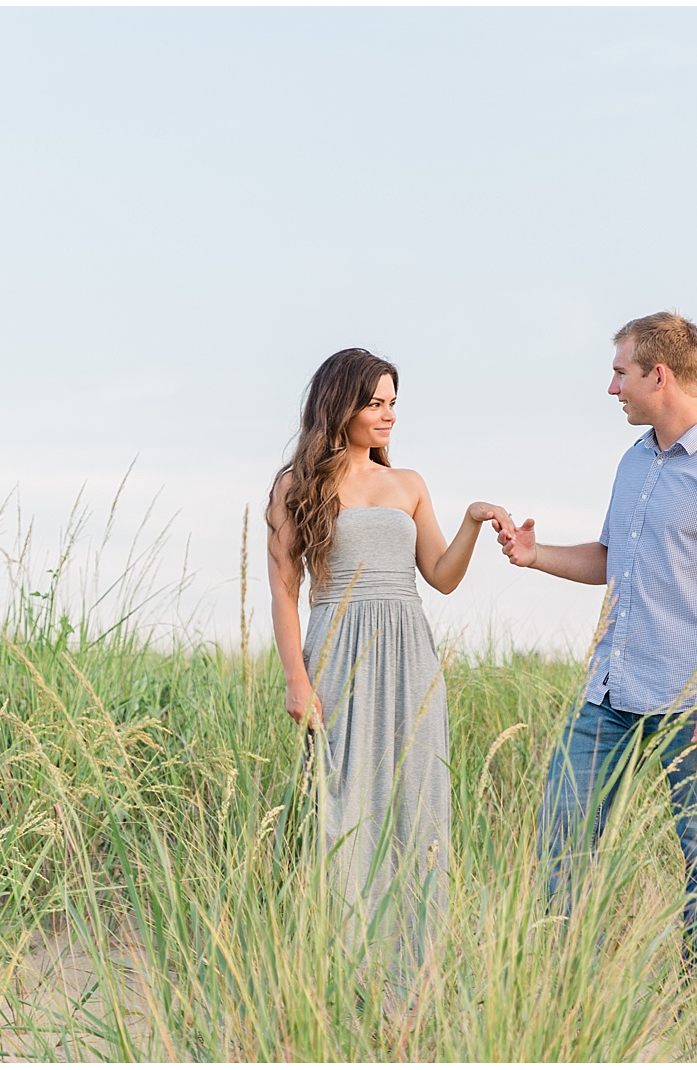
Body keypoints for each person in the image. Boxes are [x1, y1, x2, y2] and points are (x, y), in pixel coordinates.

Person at [494, 311, 697, 1015]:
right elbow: (610, 559)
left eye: (621, 372)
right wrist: (535, 556)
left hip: (692, 699)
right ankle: (567, 1005)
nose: (611, 386)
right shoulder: (635, 461)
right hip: (610, 693)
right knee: (561, 839)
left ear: (660, 374)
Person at [266, 347, 508, 968]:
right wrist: (297, 679)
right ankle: (341, 967)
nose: (388, 415)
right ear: (339, 405)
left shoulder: (409, 485)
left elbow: (441, 577)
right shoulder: (297, 485)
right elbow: (285, 593)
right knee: (341, 810)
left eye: (393, 403)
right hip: (338, 653)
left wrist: (472, 523)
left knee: (416, 806)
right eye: (375, 403)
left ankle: (412, 973)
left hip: (410, 658)